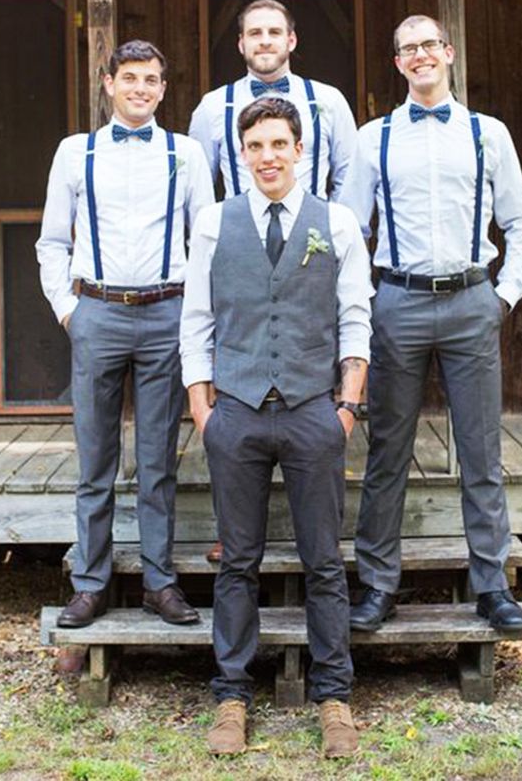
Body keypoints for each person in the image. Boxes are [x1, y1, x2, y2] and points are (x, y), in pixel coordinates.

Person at [181, 96, 373, 758]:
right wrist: (203, 410)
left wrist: (346, 405)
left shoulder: (336, 223)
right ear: (243, 154)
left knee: (323, 563)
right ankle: (230, 697)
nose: (267, 156)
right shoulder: (213, 223)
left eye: (278, 145)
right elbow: (196, 321)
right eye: (256, 146)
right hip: (233, 412)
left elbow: (355, 316)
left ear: (298, 150)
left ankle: (334, 698)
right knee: (237, 563)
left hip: (312, 412)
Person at [340, 15, 522, 635]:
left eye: (430, 45)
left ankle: (491, 585)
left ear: (448, 53)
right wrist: (364, 305)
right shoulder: (373, 138)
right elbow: (349, 229)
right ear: (397, 63)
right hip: (396, 304)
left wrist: (503, 296)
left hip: (471, 301)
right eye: (408, 49)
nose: (420, 56)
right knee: (388, 452)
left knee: (480, 449)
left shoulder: (489, 135)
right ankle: (377, 584)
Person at [36, 39, 214, 629]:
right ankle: (91, 582)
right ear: (108, 83)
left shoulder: (186, 153)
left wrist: (195, 317)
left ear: (164, 89)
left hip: (167, 313)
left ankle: (160, 583)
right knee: (96, 458)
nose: (140, 88)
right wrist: (70, 311)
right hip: (98, 313)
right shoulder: (75, 152)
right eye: (130, 77)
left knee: (159, 458)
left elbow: (205, 241)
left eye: (152, 80)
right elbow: (53, 242)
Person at [188, 0, 357, 200]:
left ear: (291, 40)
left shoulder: (330, 100)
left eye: (274, 32)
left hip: (312, 228)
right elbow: (197, 185)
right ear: (241, 44)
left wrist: (331, 225)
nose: (265, 41)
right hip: (239, 228)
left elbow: (349, 178)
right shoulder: (212, 106)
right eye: (255, 33)